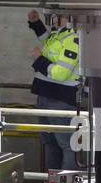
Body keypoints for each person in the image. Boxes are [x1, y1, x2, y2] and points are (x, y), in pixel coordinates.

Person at [26, 10, 81, 171]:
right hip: (45, 96)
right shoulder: (61, 34)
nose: (54, 17)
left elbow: (60, 73)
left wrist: (39, 59)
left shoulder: (74, 38)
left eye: (57, 14)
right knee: (50, 143)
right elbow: (49, 41)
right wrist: (36, 24)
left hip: (60, 100)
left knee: (66, 145)